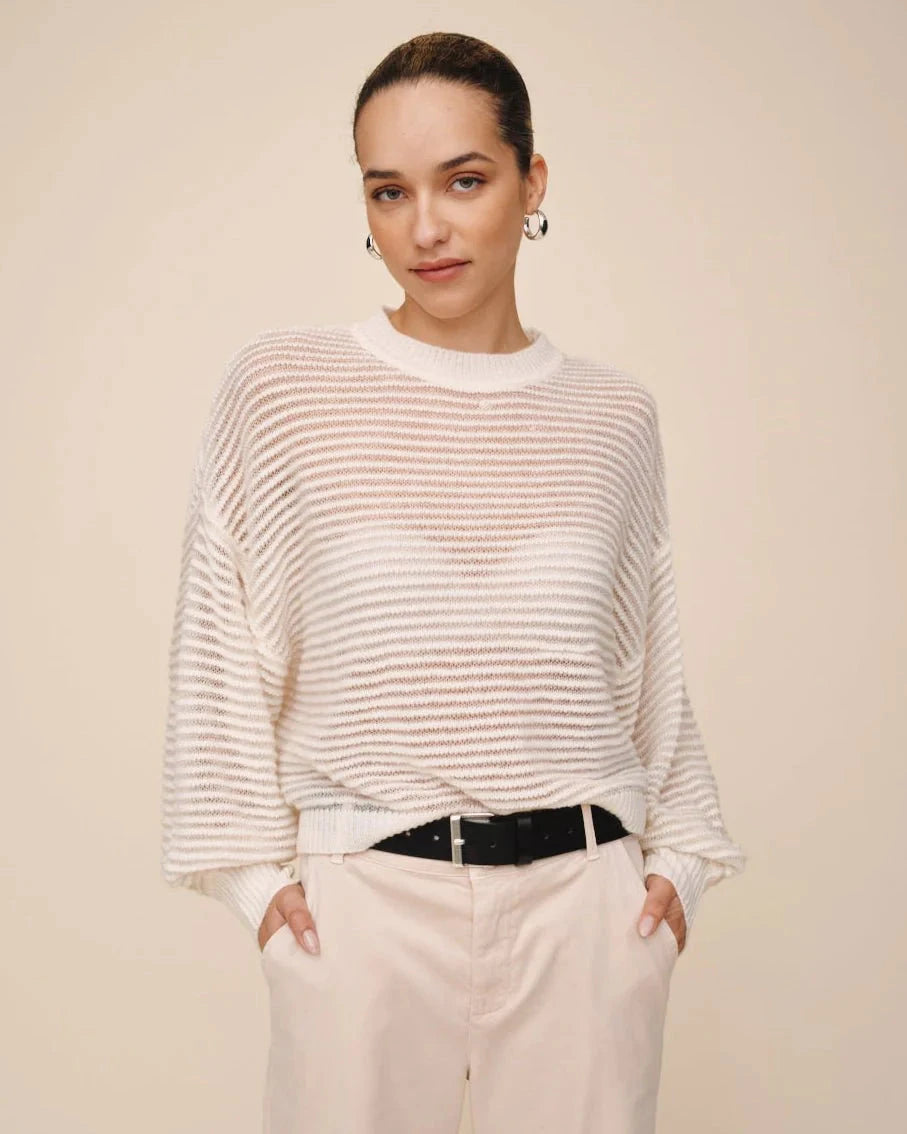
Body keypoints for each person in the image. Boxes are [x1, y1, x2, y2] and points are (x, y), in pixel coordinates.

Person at [160, 30, 746, 1134]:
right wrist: (255, 888)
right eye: (389, 191)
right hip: (364, 911)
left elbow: (644, 664)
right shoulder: (284, 389)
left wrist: (679, 866)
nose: (423, 227)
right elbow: (217, 637)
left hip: (586, 910)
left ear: (531, 182)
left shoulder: (614, 419)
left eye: (463, 181)